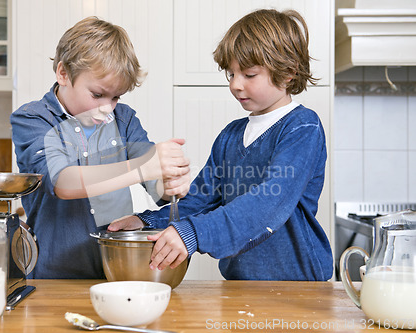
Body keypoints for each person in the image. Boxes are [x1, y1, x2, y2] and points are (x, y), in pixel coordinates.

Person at [109, 9, 334, 281]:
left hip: (298, 287)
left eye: (249, 74)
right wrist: (146, 222)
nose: (236, 85)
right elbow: (199, 202)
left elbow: (269, 202)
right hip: (239, 284)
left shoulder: (302, 127)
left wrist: (193, 233)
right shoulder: (230, 135)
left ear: (288, 73)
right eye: (231, 74)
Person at [10, 17, 190, 279]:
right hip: (52, 275)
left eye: (115, 97)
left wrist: (170, 180)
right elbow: (62, 181)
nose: (107, 108)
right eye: (97, 95)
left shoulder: (125, 120)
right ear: (63, 74)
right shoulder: (33, 119)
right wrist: (143, 167)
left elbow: (157, 186)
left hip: (116, 272)